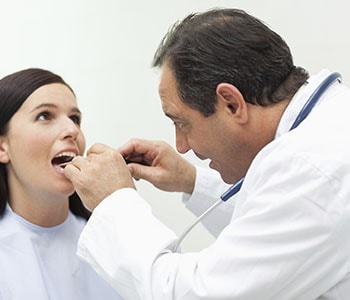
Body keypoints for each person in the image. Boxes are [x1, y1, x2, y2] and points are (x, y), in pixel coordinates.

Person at [65, 8, 350, 300]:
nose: (181, 145)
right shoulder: (326, 133)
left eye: (181, 122)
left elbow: (195, 293)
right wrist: (190, 180)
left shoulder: (310, 168)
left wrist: (115, 202)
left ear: (231, 104)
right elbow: (273, 239)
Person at [0, 68, 123, 299]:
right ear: (2, 147)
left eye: (75, 118)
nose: (72, 130)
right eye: (44, 116)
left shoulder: (112, 243)